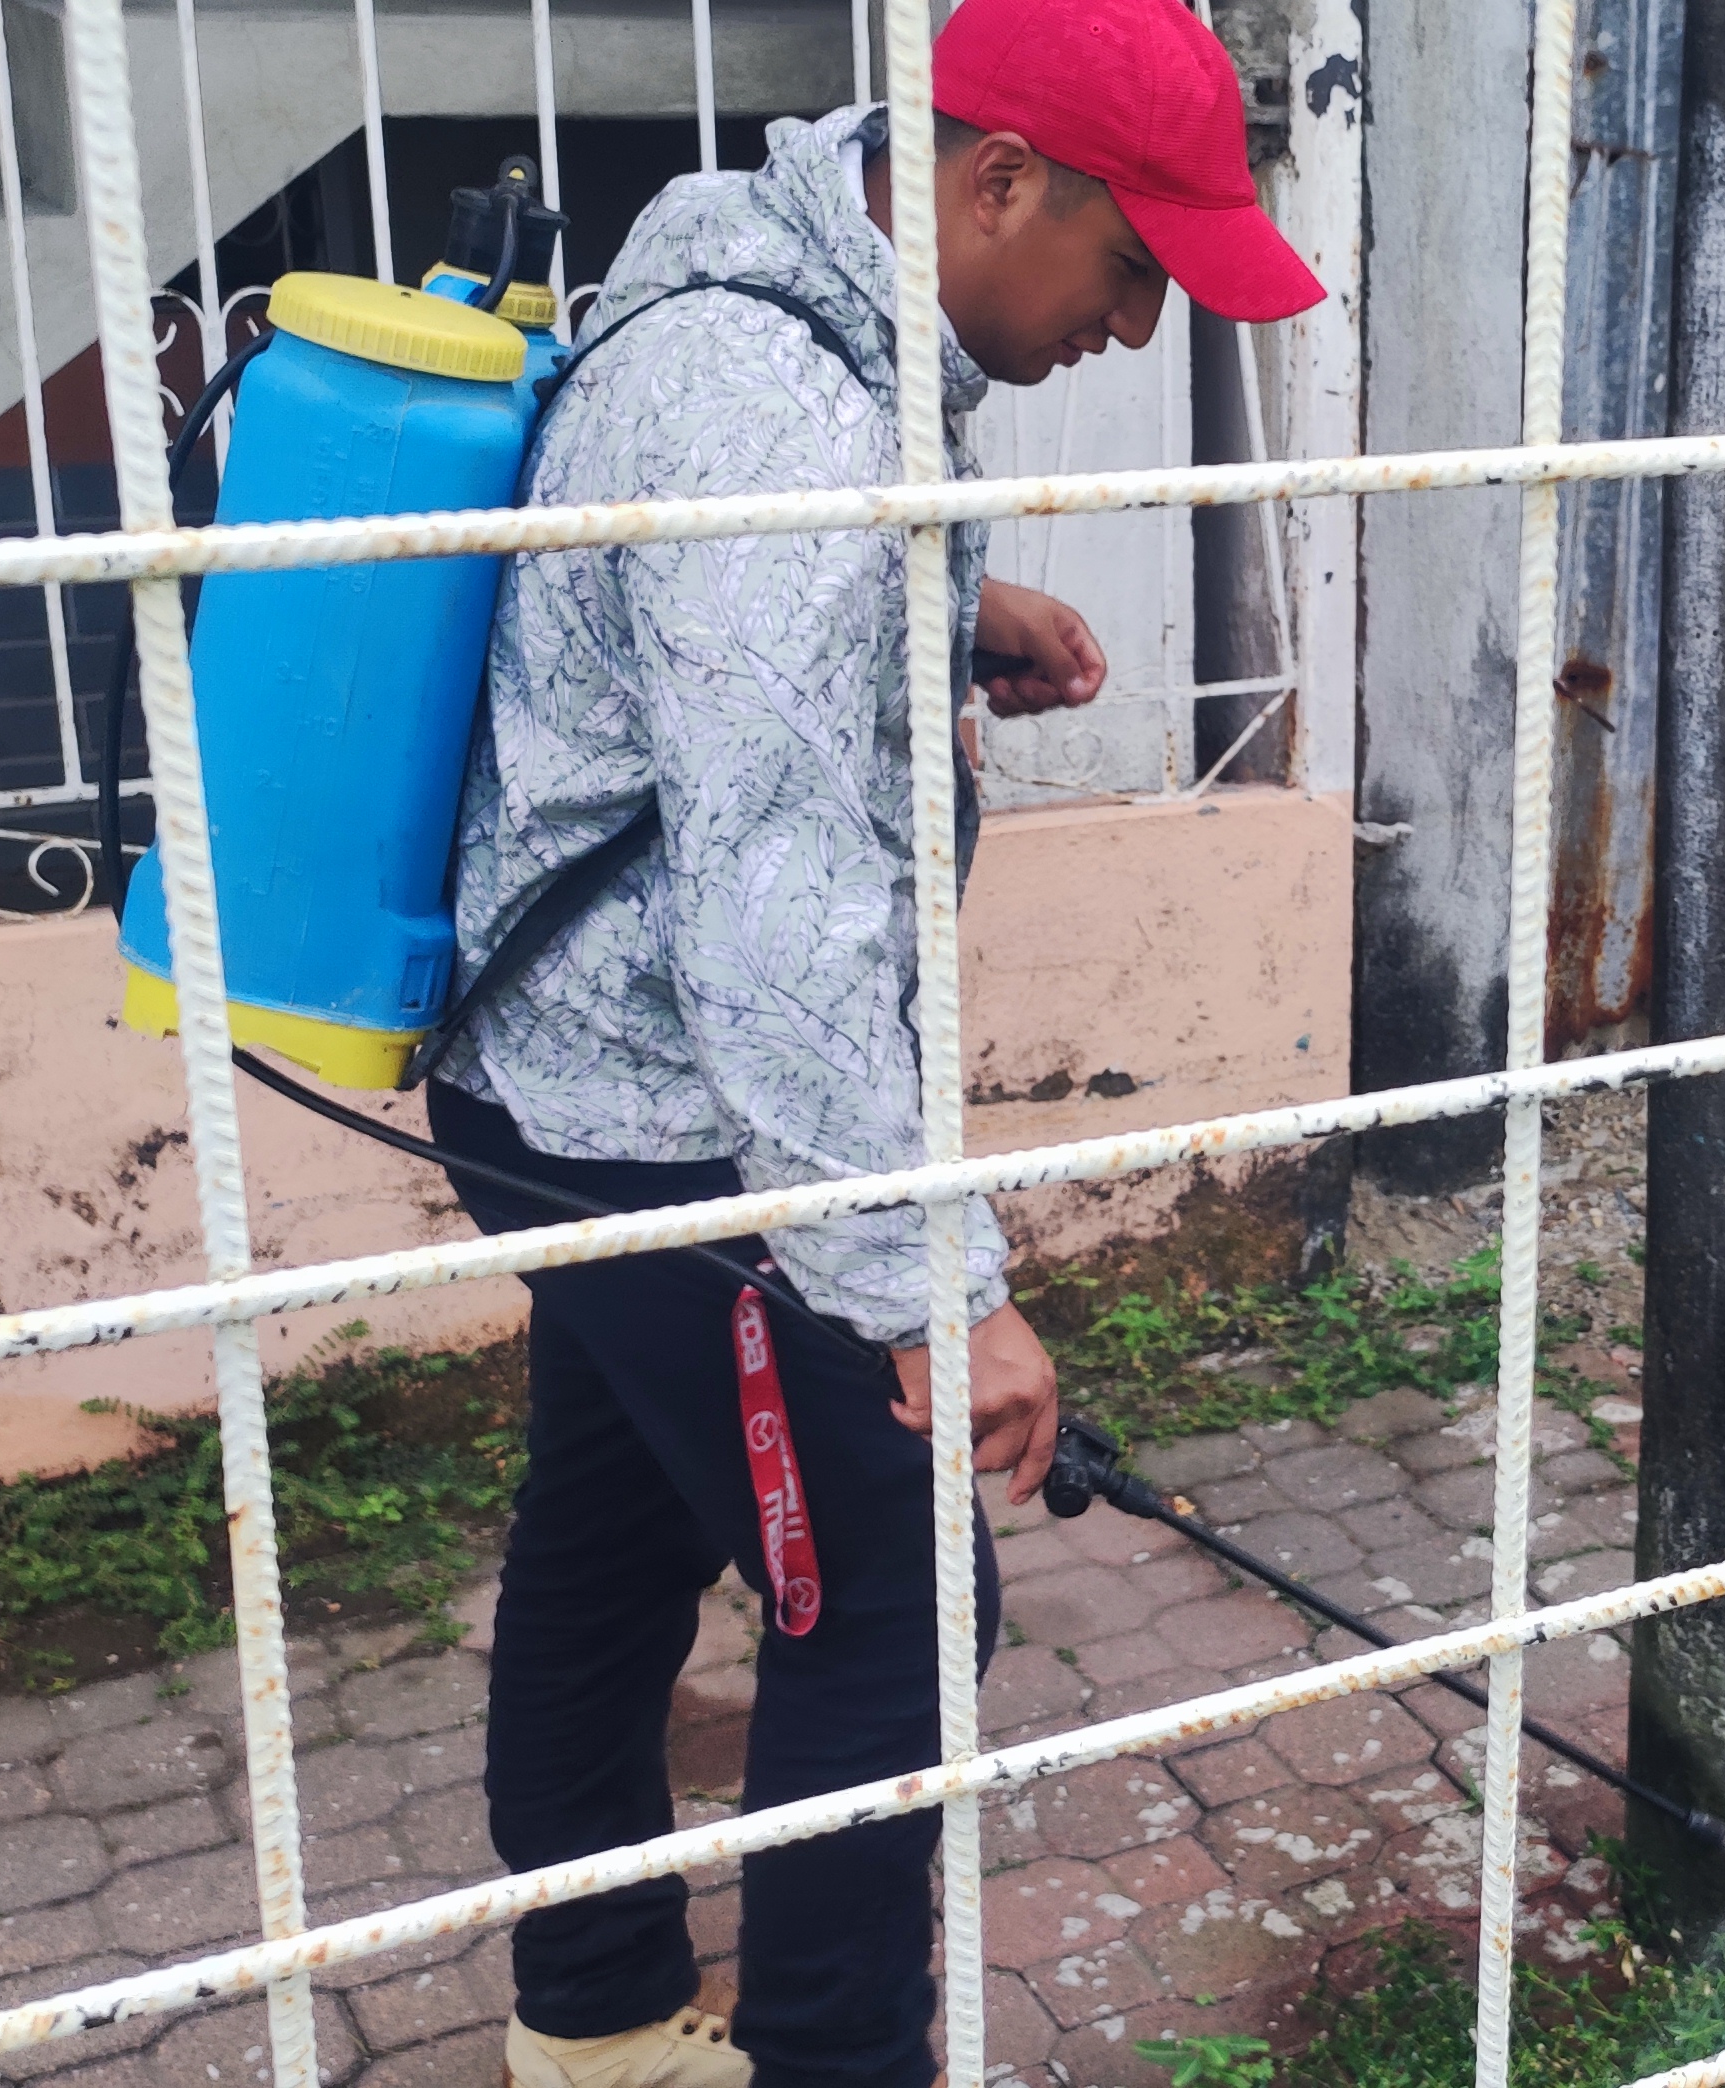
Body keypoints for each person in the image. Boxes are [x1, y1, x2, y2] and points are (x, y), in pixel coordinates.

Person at [417, 3, 1326, 2084]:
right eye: (1132, 266)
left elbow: (708, 636)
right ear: (995, 180)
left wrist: (945, 606)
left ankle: (596, 2035)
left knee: (609, 1545)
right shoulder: (783, 421)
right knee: (906, 1609)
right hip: (666, 1118)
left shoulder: (764, 300)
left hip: (551, 1068)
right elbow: (777, 917)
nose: (1137, 325)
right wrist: (932, 1292)